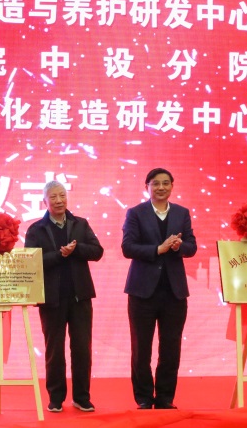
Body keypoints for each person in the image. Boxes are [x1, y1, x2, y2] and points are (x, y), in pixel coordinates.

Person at [24, 180, 104, 412]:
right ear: (45, 201)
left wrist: (76, 249)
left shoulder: (80, 224)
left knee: (82, 348)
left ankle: (82, 397)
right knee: (54, 350)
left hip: (80, 297)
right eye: (54, 197)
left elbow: (97, 251)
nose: (59, 201)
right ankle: (56, 397)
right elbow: (31, 262)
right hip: (51, 299)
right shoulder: (36, 229)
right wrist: (59, 255)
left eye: (62, 196)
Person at [122, 168, 197, 409]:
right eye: (156, 183)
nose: (161, 187)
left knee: (171, 348)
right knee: (141, 349)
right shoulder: (135, 213)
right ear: (147, 187)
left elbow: (192, 246)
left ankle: (165, 398)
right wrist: (158, 249)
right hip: (142, 292)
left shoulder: (182, 213)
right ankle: (144, 398)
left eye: (166, 183)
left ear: (172, 186)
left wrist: (178, 246)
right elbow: (127, 247)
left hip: (174, 292)